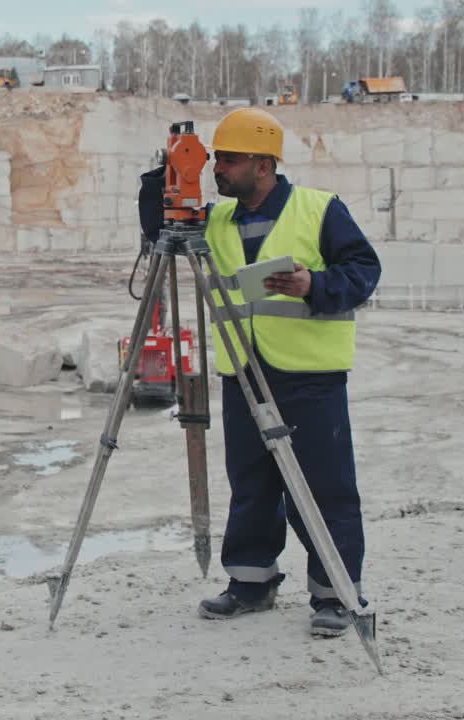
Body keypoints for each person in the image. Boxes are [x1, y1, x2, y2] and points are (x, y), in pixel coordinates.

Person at [138, 107, 381, 637]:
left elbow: (364, 271)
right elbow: (158, 228)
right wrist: (166, 173)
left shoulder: (320, 210)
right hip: (243, 368)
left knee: (323, 488)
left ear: (263, 165)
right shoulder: (218, 220)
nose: (218, 169)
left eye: (228, 160)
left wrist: (314, 285)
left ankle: (336, 594)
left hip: (309, 375)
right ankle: (251, 582)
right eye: (215, 158)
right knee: (252, 484)